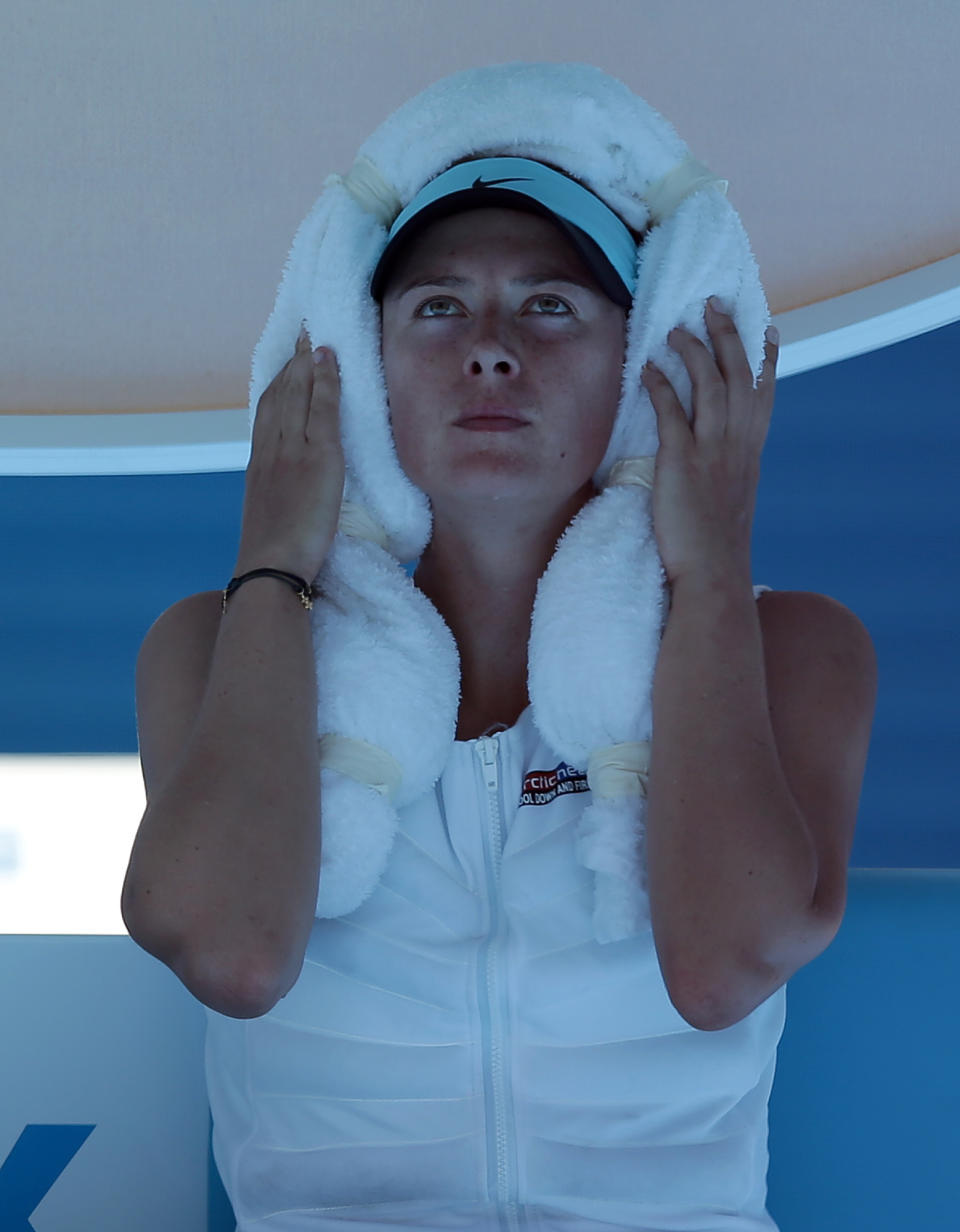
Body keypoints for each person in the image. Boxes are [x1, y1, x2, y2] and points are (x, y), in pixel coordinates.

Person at [121, 71, 877, 1232]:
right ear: (359, 370)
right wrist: (276, 553)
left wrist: (709, 567)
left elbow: (722, 968)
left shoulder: (794, 646)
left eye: (549, 306)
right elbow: (233, 954)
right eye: (436, 306)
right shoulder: (217, 647)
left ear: (643, 366)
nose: (488, 349)